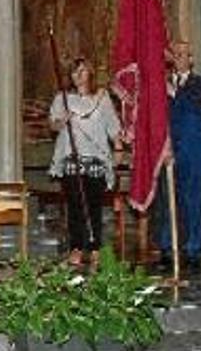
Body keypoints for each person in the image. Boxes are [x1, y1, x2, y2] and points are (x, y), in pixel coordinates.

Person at [48, 57, 122, 267]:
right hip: (72, 158)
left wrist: (117, 147)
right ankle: (76, 248)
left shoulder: (101, 97)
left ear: (90, 73)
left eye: (82, 71)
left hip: (96, 159)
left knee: (93, 206)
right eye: (74, 72)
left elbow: (112, 125)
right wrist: (63, 121)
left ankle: (95, 247)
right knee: (75, 206)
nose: (78, 75)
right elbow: (52, 124)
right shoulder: (62, 98)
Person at [159, 41, 201, 268]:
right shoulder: (161, 84)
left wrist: (173, 91)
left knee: (193, 199)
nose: (178, 58)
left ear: (191, 59)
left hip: (192, 149)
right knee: (168, 198)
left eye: (183, 54)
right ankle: (167, 245)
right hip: (169, 148)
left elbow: (195, 103)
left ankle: (193, 248)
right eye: (175, 54)